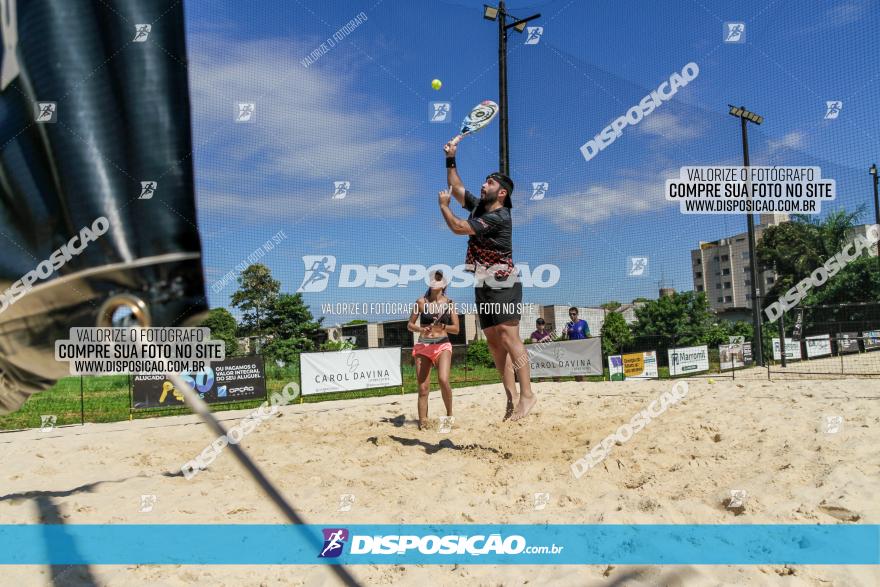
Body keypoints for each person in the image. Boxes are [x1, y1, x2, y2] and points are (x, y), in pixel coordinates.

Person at [438, 139, 536, 422]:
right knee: (493, 342)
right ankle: (511, 399)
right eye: (484, 181)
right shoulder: (481, 207)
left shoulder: (500, 215)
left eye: (489, 182)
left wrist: (444, 207)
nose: (484, 185)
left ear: (502, 192)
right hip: (483, 283)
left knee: (509, 336)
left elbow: (458, 227)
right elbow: (457, 189)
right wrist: (451, 158)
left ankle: (527, 393)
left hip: (504, 282)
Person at [407, 270, 459, 430]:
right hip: (424, 345)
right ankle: (423, 422)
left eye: (438, 279)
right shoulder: (421, 302)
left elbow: (456, 329)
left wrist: (443, 326)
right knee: (423, 387)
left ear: (444, 284)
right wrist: (420, 330)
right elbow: (410, 324)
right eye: (432, 279)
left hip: (442, 344)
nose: (434, 281)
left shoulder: (449, 303)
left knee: (443, 380)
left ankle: (449, 417)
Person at [562, 307, 590, 382]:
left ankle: (585, 386)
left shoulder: (584, 323)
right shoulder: (568, 325)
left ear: (577, 314)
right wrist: (563, 334)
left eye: (574, 314)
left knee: (583, 371)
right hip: (573, 351)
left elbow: (588, 335)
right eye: (570, 314)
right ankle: (578, 387)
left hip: (583, 350)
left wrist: (595, 341)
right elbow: (564, 339)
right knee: (576, 371)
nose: (572, 316)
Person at [530, 317, 561, 383]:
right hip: (540, 357)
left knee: (555, 372)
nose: (541, 325)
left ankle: (557, 384)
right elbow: (534, 345)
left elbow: (551, 344)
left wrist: (550, 340)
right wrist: (542, 340)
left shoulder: (547, 333)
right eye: (539, 324)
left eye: (542, 324)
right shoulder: (534, 334)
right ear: (536, 325)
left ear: (544, 325)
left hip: (549, 355)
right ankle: (542, 387)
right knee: (542, 375)